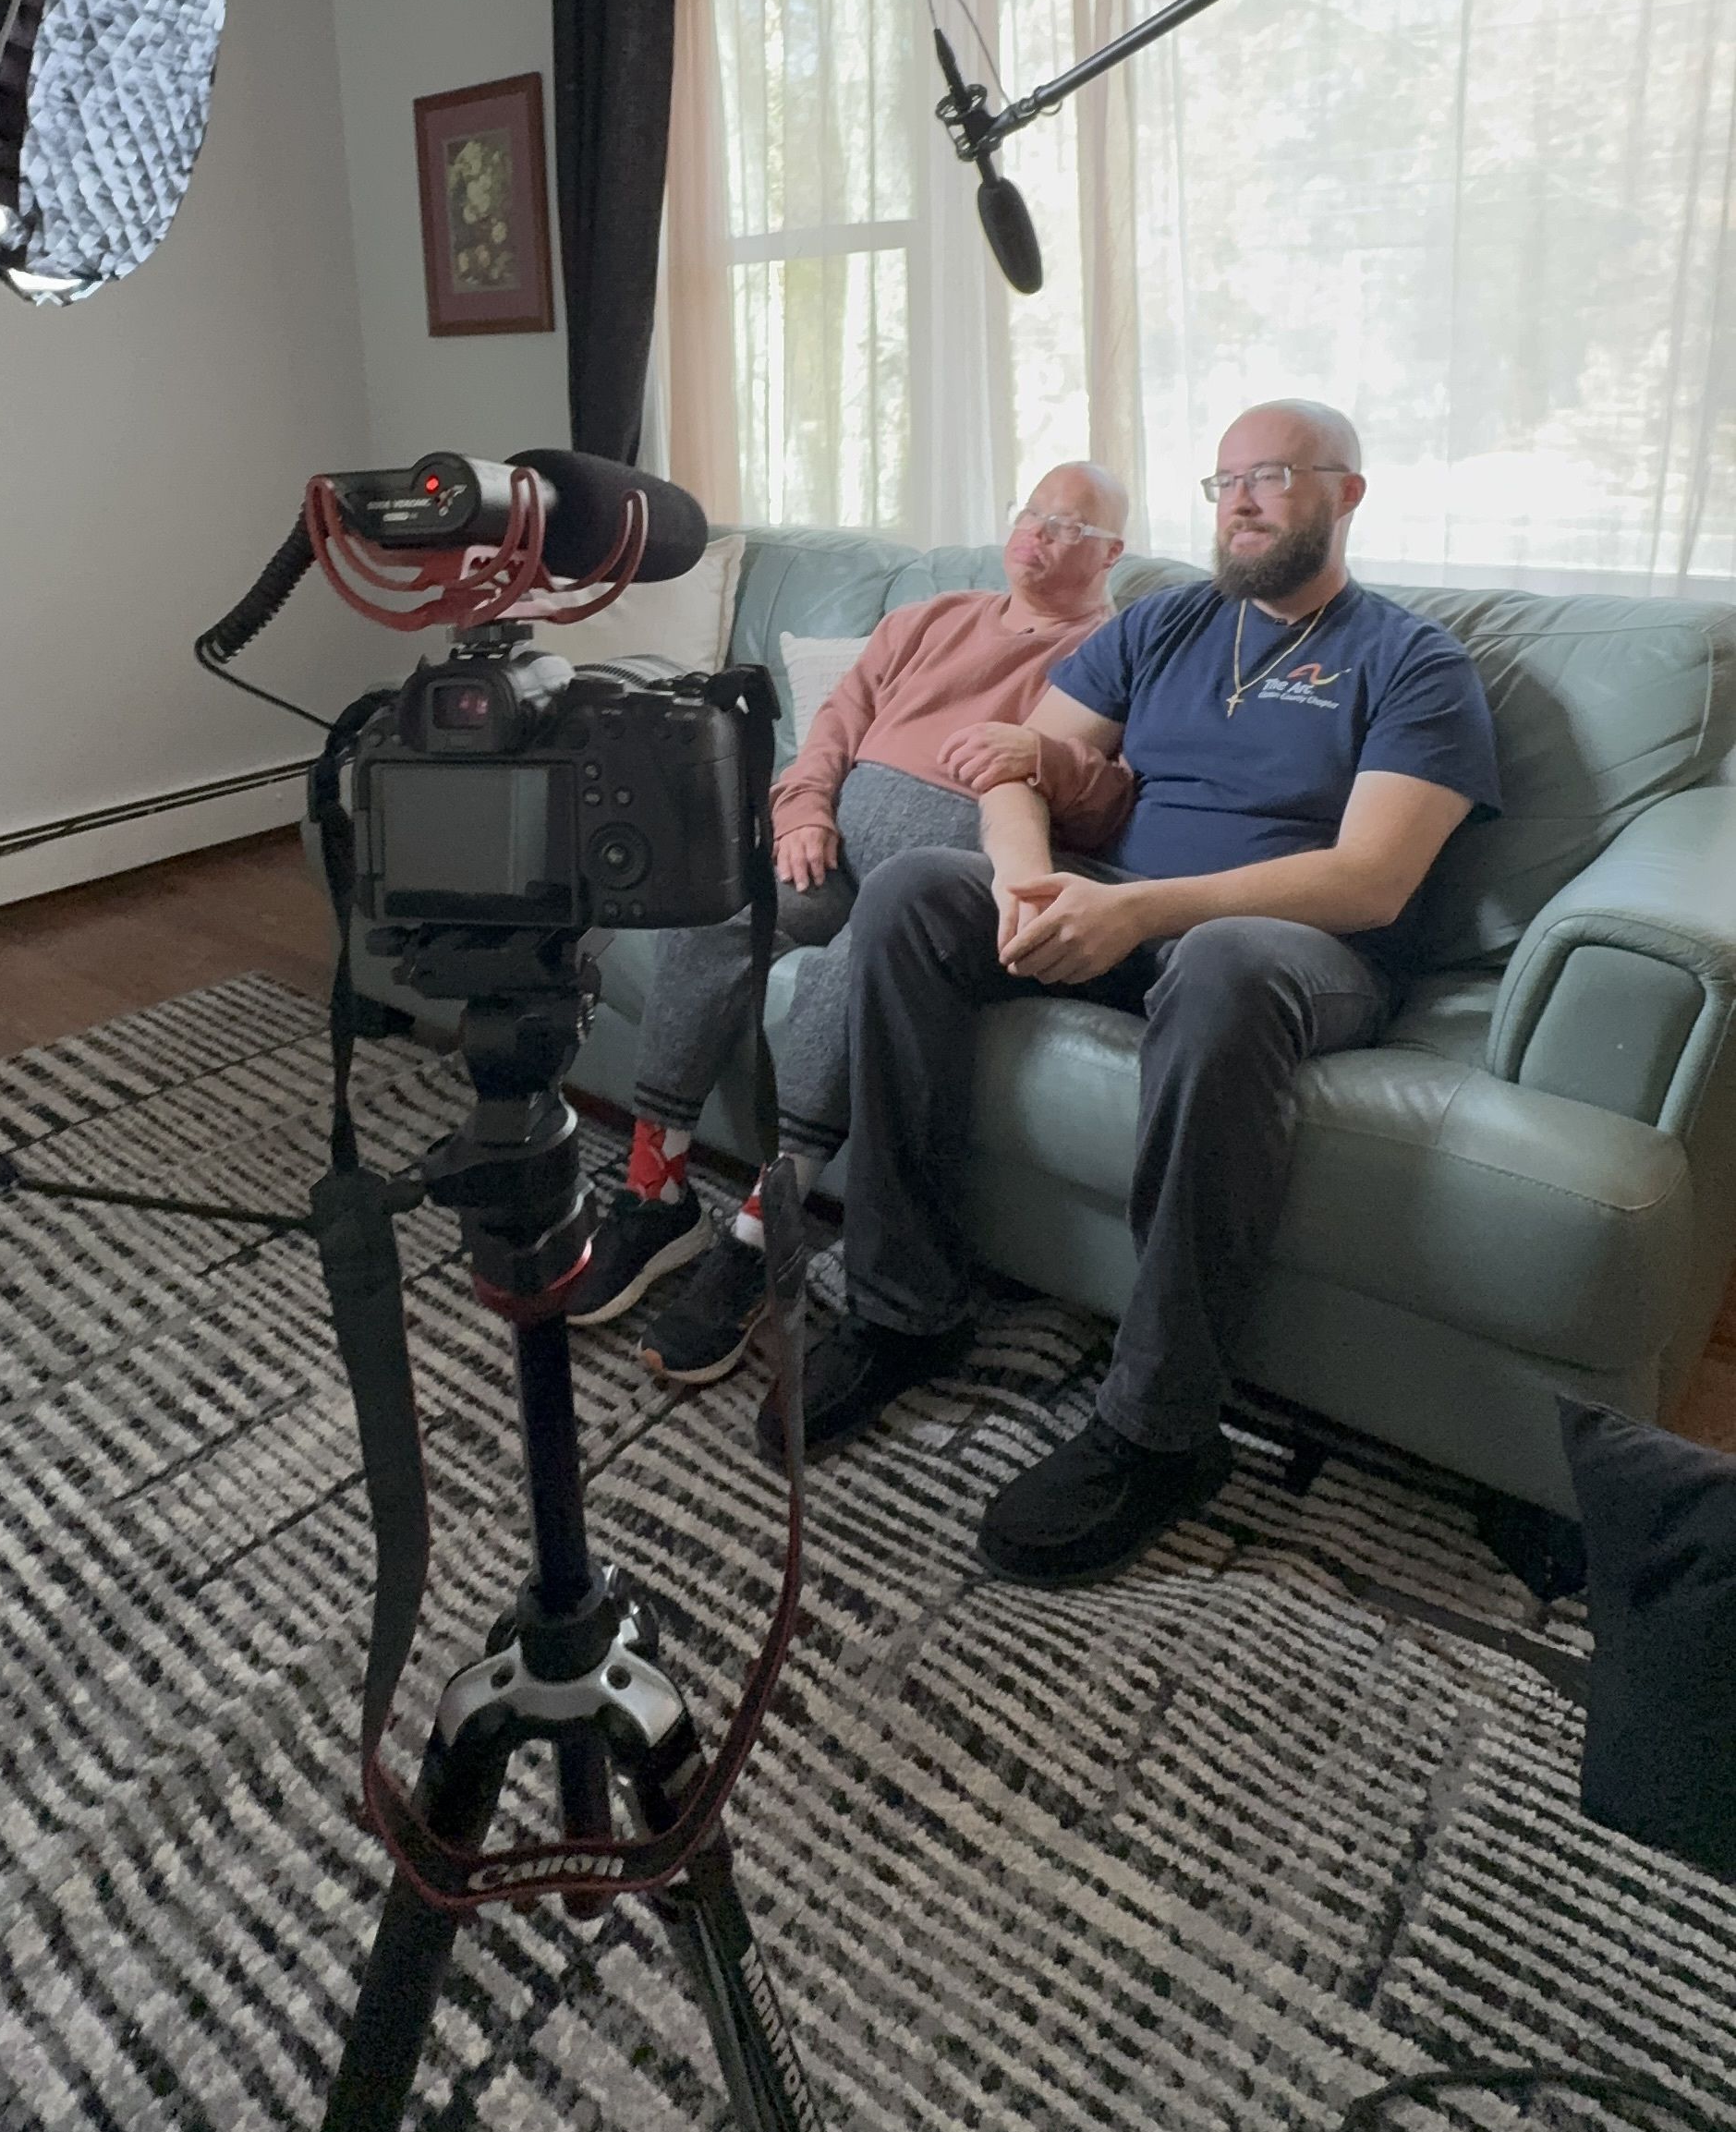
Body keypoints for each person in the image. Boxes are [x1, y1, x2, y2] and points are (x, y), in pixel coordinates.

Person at [758, 400, 1502, 1584]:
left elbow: (1371, 879)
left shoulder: (1412, 660)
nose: (1240, 501)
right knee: (911, 892)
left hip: (1297, 947)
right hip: (1119, 904)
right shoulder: (1167, 623)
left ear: (1346, 493)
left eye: (1271, 476)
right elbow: (1013, 764)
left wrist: (1144, 910)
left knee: (1222, 959)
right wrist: (1025, 884)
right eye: (1223, 481)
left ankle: (1163, 1427)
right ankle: (904, 1307)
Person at [565, 462, 1134, 1382]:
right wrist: (801, 810)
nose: (1038, 535)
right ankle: (655, 1191)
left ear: (1112, 553)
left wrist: (1044, 761)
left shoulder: (1118, 654)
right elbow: (837, 720)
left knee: (848, 972)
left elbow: (1112, 805)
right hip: (831, 853)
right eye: (1031, 513)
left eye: (1069, 526)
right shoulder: (935, 617)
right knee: (722, 906)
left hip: (941, 894)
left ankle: (764, 1237)